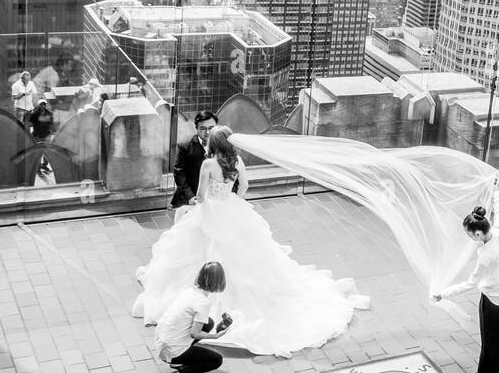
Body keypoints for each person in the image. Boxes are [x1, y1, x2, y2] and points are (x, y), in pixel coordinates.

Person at [134, 126, 370, 357]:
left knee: (202, 249)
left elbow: (201, 194)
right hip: (232, 207)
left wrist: (198, 202)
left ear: (213, 144)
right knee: (245, 253)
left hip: (212, 210)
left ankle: (207, 297)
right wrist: (232, 200)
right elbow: (244, 186)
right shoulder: (236, 161)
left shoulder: (208, 164)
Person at [432, 178, 499, 373]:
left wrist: (444, 293)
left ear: (478, 233)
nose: (469, 238)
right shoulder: (498, 232)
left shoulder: (485, 256)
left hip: (493, 300)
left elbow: (471, 283)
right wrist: (497, 192)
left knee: (489, 341)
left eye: (469, 234)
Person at [155, 262, 233, 373]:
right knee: (216, 360)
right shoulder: (203, 302)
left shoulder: (189, 291)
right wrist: (215, 336)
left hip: (161, 343)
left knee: (208, 323)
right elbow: (195, 334)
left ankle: (178, 361)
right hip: (173, 351)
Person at [170, 110, 217, 209]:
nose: (207, 132)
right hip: (191, 197)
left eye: (211, 128)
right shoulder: (185, 145)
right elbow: (179, 172)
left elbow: (232, 170)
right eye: (203, 128)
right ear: (196, 128)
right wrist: (190, 196)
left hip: (216, 198)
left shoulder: (223, 145)